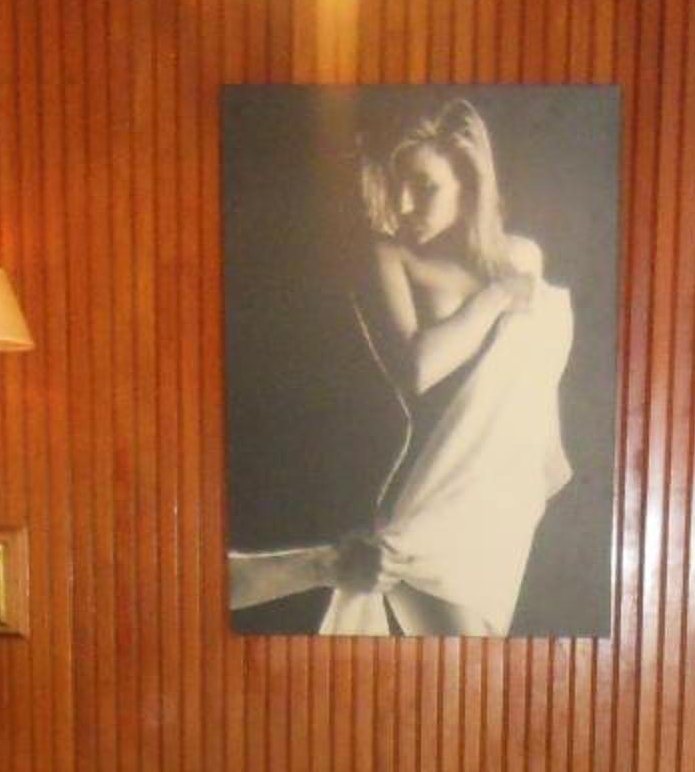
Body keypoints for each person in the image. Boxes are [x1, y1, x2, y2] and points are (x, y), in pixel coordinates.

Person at [228, 99, 574, 637]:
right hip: (422, 497)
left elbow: (529, 380)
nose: (406, 203)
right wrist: (496, 298)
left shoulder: (522, 256)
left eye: (425, 187)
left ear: (467, 183)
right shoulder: (389, 256)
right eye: (397, 186)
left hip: (494, 494)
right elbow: (418, 368)